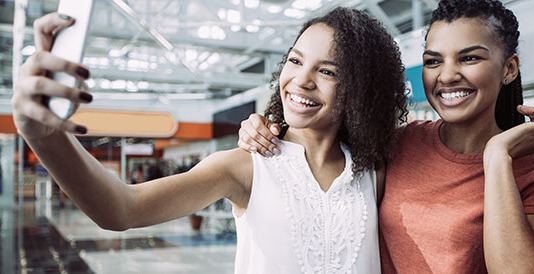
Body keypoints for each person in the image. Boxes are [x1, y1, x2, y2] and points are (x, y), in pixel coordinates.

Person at [11, 7, 409, 273]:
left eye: (328, 71)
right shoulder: (245, 166)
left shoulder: (372, 172)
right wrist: (44, 137)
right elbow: (121, 209)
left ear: (361, 90)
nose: (301, 80)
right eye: (294, 60)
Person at [236, 0, 534, 273]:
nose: (447, 75)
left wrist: (496, 159)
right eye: (433, 61)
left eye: (469, 58)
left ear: (509, 68)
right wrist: (263, 128)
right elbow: (318, 144)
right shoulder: (400, 144)